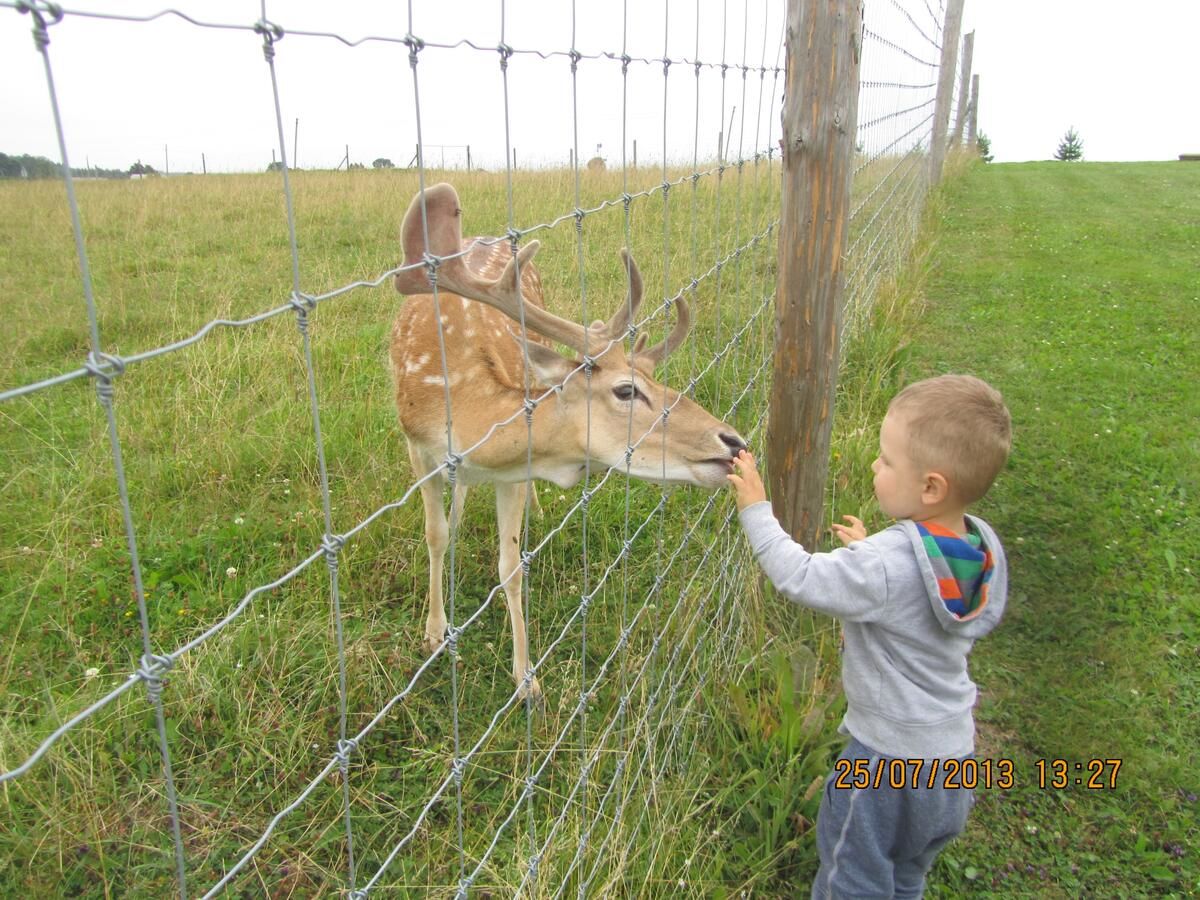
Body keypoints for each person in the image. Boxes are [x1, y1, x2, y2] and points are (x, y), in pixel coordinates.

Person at [727, 373, 1012, 899]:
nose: (874, 466)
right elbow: (912, 582)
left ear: (931, 487)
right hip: (952, 766)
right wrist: (869, 549)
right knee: (905, 875)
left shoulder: (886, 566)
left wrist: (756, 509)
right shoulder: (976, 547)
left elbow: (801, 577)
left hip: (884, 769)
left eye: (885, 460)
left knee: (852, 877)